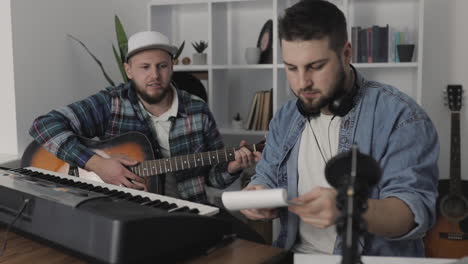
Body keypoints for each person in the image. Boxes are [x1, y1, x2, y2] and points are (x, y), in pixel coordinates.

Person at [240, 0, 439, 257]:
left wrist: (348, 208)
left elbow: (412, 213)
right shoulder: (285, 117)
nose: (302, 83)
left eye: (315, 66)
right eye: (291, 68)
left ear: (346, 53)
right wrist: (259, 195)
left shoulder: (401, 116)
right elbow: (266, 175)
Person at [29, 30, 261, 204]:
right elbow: (44, 126)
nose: (155, 75)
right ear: (129, 70)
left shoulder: (198, 110)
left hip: (189, 209)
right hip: (126, 208)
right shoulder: (112, 103)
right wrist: (98, 164)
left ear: (172, 66)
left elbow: (213, 179)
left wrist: (231, 167)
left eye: (162, 66)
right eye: (145, 67)